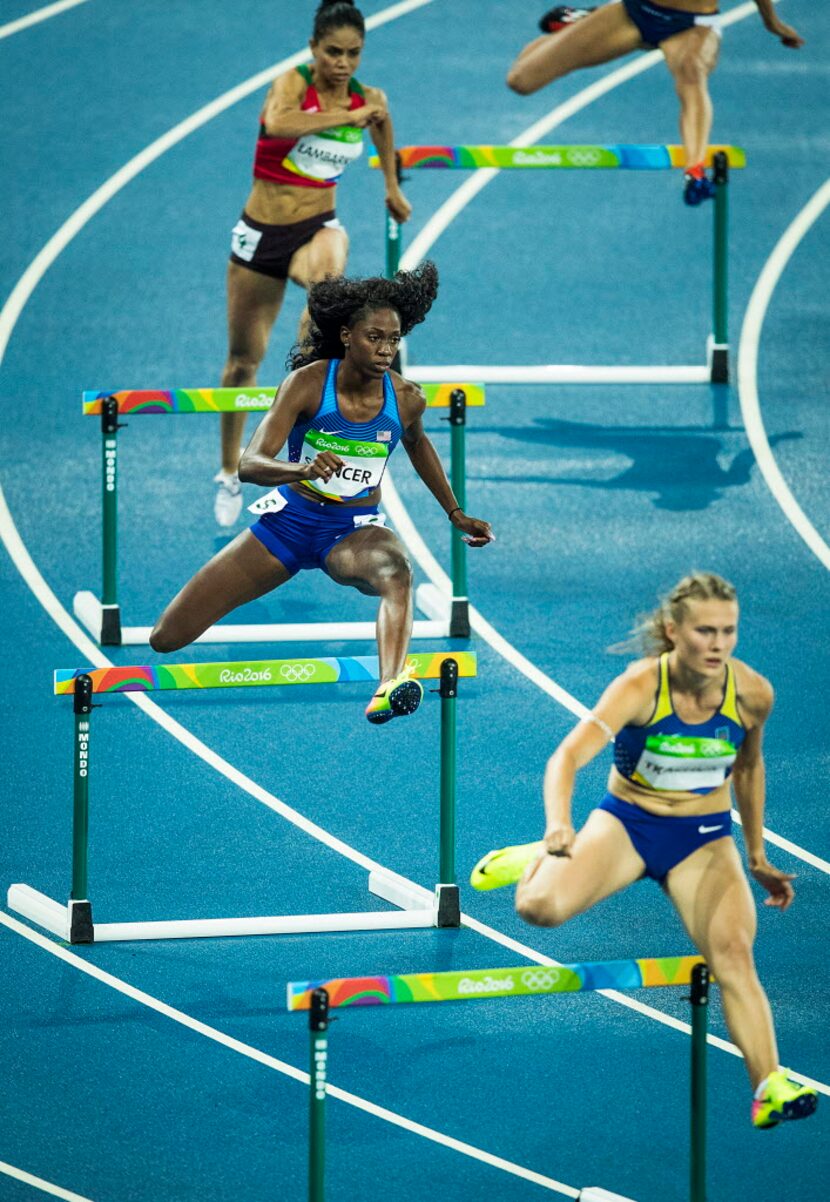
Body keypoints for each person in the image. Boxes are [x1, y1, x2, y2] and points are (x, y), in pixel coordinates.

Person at [471, 572, 818, 1129]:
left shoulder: (752, 692)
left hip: (702, 841)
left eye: (729, 631)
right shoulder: (639, 687)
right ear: (672, 630)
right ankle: (544, 854)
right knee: (539, 910)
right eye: (705, 630)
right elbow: (565, 758)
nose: (718, 644)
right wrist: (559, 822)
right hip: (627, 826)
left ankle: (768, 1084)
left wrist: (756, 856)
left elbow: (749, 767)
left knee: (734, 953)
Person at [151, 262, 494, 724]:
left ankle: (388, 685)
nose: (386, 350)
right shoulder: (309, 384)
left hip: (350, 534)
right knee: (166, 637)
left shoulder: (407, 398)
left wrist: (454, 512)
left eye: (394, 340)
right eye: (375, 337)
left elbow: (416, 442)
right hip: (287, 526)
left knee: (396, 570)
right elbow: (249, 465)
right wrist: (302, 468)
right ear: (347, 334)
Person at [215, 0, 412, 526]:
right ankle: (230, 471)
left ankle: (305, 403)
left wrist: (391, 186)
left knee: (326, 290)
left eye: (353, 53)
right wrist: (347, 116)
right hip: (262, 232)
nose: (343, 63)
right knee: (241, 361)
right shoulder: (291, 85)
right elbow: (279, 125)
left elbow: (383, 128)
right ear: (313, 49)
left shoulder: (370, 98)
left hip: (316, 226)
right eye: (333, 52)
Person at [508, 3, 804, 204]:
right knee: (520, 81)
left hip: (691, 25)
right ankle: (585, 21)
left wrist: (773, 23)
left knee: (691, 72)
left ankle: (695, 169)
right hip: (636, 11)